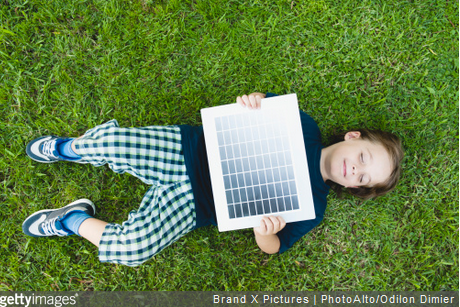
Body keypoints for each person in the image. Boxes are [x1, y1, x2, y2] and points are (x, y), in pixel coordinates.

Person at [22, 92, 404, 266]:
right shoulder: (302, 124)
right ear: (352, 137)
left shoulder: (314, 206)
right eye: (363, 158)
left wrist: (263, 231)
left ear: (355, 188)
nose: (356, 170)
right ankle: (69, 148)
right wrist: (251, 102)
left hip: (197, 205)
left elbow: (273, 248)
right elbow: (255, 106)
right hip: (187, 150)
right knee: (111, 141)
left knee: (131, 251)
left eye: (364, 178)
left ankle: (72, 219)